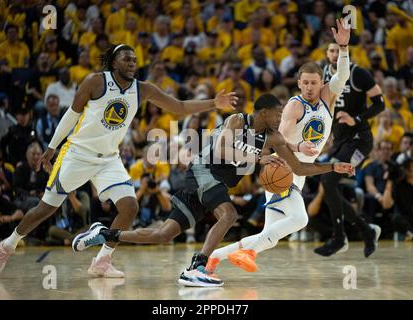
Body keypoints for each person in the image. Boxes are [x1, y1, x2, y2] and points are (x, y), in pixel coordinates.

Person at [0, 43, 237, 277]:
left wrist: (214, 103)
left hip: (109, 158)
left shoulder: (143, 88)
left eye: (135, 59)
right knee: (46, 208)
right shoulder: (95, 82)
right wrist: (52, 147)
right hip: (77, 154)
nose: (132, 62)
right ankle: (7, 245)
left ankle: (102, 261)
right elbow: (71, 115)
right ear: (113, 62)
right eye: (126, 58)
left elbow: (180, 107)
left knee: (130, 207)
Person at [72, 91, 354, 287]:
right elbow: (221, 148)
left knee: (163, 234)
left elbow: (300, 168)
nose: (280, 117)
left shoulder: (274, 138)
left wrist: (332, 167)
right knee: (229, 215)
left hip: (213, 184)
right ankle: (198, 267)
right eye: (277, 112)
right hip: (202, 171)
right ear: (264, 112)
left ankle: (104, 234)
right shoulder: (237, 120)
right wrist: (258, 158)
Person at [206, 18, 368, 275]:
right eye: (306, 83)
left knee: (269, 236)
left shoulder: (329, 95)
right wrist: (298, 146)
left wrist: (344, 48)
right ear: (299, 83)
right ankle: (247, 252)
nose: (310, 87)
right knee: (300, 219)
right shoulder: (295, 106)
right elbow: (276, 140)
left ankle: (213, 257)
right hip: (283, 167)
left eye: (315, 82)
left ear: (320, 82)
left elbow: (343, 75)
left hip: (299, 171)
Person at [314, 28, 385, 257]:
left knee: (328, 179)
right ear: (327, 54)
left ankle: (339, 237)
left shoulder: (358, 74)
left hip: (360, 141)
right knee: (328, 183)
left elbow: (380, 104)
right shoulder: (324, 73)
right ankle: (365, 231)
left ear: (345, 53)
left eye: (338, 50)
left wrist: (356, 119)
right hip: (341, 141)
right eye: (331, 50)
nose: (334, 54)